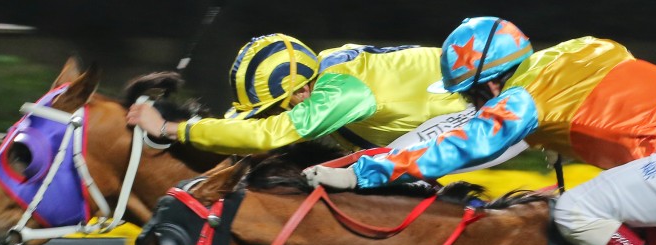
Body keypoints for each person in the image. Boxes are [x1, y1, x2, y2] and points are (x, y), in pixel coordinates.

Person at [303, 16, 656, 245]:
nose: (472, 104)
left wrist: (364, 174)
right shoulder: (583, 48)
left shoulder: (523, 97)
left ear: (492, 83)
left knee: (575, 210)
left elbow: (467, 145)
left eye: (472, 95)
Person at [126, 33, 470, 154]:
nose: (272, 117)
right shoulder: (322, 76)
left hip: (510, 100)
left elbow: (266, 135)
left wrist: (170, 128)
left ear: (303, 90)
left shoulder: (340, 92)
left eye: (274, 109)